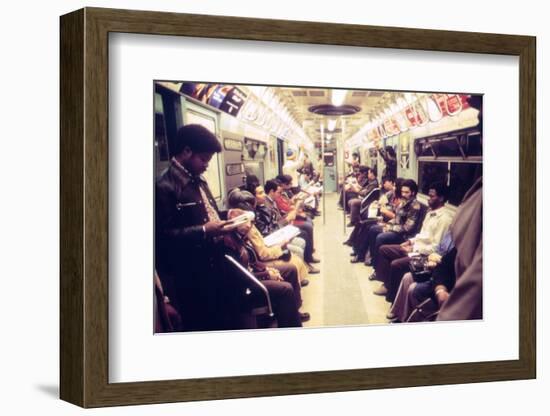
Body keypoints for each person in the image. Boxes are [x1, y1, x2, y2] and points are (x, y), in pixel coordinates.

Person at [155, 124, 240, 331]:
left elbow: (207, 213)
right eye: (203, 159)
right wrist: (204, 231)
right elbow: (163, 238)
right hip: (191, 276)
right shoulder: (164, 187)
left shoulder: (199, 181)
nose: (206, 165)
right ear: (186, 152)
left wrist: (227, 216)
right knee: (203, 323)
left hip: (215, 265)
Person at [223, 209, 308, 325]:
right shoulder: (229, 244)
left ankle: (294, 310)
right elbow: (242, 276)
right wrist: (266, 274)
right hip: (246, 285)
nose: (249, 225)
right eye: (244, 222)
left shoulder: (240, 237)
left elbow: (253, 261)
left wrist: (266, 269)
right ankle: (291, 325)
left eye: (249, 221)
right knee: (285, 288)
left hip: (254, 274)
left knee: (291, 269)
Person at [372, 182, 453, 299]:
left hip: (424, 255)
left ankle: (392, 296)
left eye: (432, 196)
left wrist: (414, 248)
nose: (428, 199)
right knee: (384, 249)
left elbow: (436, 248)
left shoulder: (445, 219)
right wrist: (410, 242)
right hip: (415, 247)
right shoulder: (430, 213)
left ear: (441, 198)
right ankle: (387, 283)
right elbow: (422, 235)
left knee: (396, 264)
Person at [366, 179, 423, 278]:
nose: (403, 194)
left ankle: (378, 271)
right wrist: (387, 224)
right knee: (373, 229)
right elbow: (397, 218)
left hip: (404, 235)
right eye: (402, 191)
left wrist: (390, 228)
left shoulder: (415, 206)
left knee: (381, 238)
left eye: (406, 192)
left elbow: (407, 228)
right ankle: (374, 260)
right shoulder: (403, 202)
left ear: (413, 192)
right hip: (396, 229)